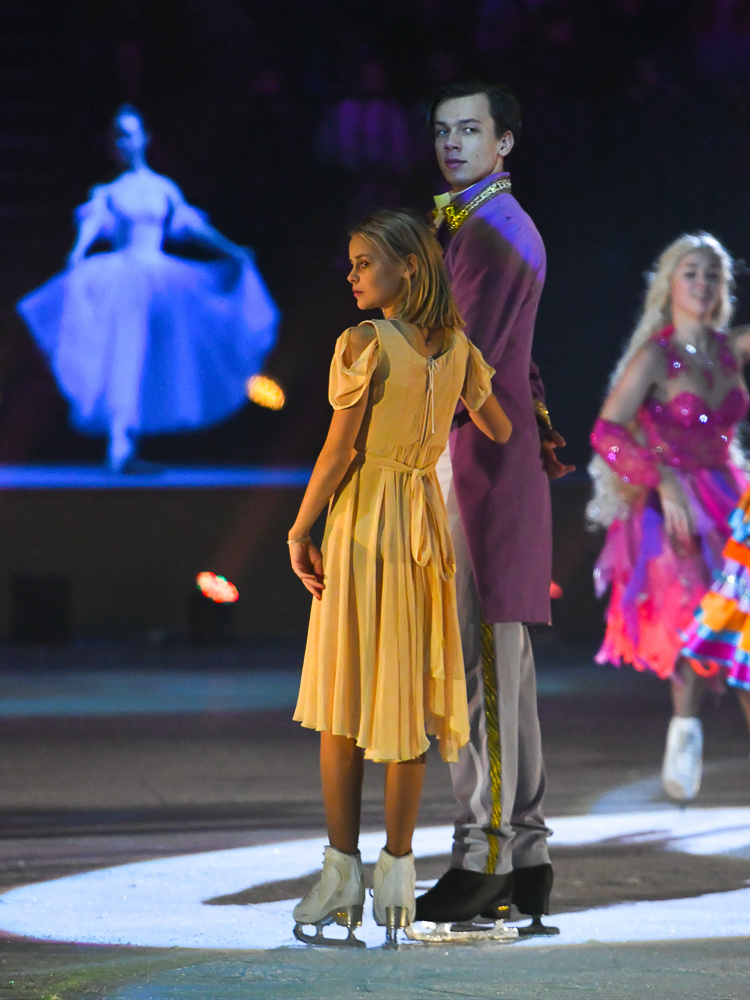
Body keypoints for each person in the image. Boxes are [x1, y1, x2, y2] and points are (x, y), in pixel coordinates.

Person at [287, 209, 511, 948]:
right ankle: (397, 880)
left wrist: (299, 528)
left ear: (407, 266)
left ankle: (342, 876)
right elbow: (499, 427)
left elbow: (338, 451)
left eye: (362, 263)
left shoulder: (364, 344)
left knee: (344, 700)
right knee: (403, 702)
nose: (351, 276)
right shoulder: (457, 349)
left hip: (364, 526)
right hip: (421, 527)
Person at [413, 80, 573, 939]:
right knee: (502, 672)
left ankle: (485, 859)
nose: (452, 144)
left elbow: (454, 358)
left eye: (470, 131)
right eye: (443, 131)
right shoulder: (483, 227)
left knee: (481, 670)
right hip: (491, 461)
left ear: (504, 143)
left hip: (479, 467)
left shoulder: (494, 232)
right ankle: (528, 857)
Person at [17, 105, 278, 471]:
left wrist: (232, 249)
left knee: (152, 358)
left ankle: (126, 443)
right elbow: (91, 229)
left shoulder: (162, 188)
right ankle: (120, 445)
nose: (126, 142)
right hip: (122, 278)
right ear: (114, 146)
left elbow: (190, 227)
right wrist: (76, 254)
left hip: (159, 279)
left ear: (144, 138)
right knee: (124, 354)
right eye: (119, 136)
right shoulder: (107, 191)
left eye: (131, 133)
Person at [589, 232, 750, 801]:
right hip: (669, 504)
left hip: (729, 497)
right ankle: (685, 730)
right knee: (696, 619)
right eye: (691, 273)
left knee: (743, 629)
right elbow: (606, 431)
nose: (701, 284)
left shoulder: (733, 349)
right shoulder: (655, 354)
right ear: (670, 283)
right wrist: (661, 478)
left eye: (711, 274)